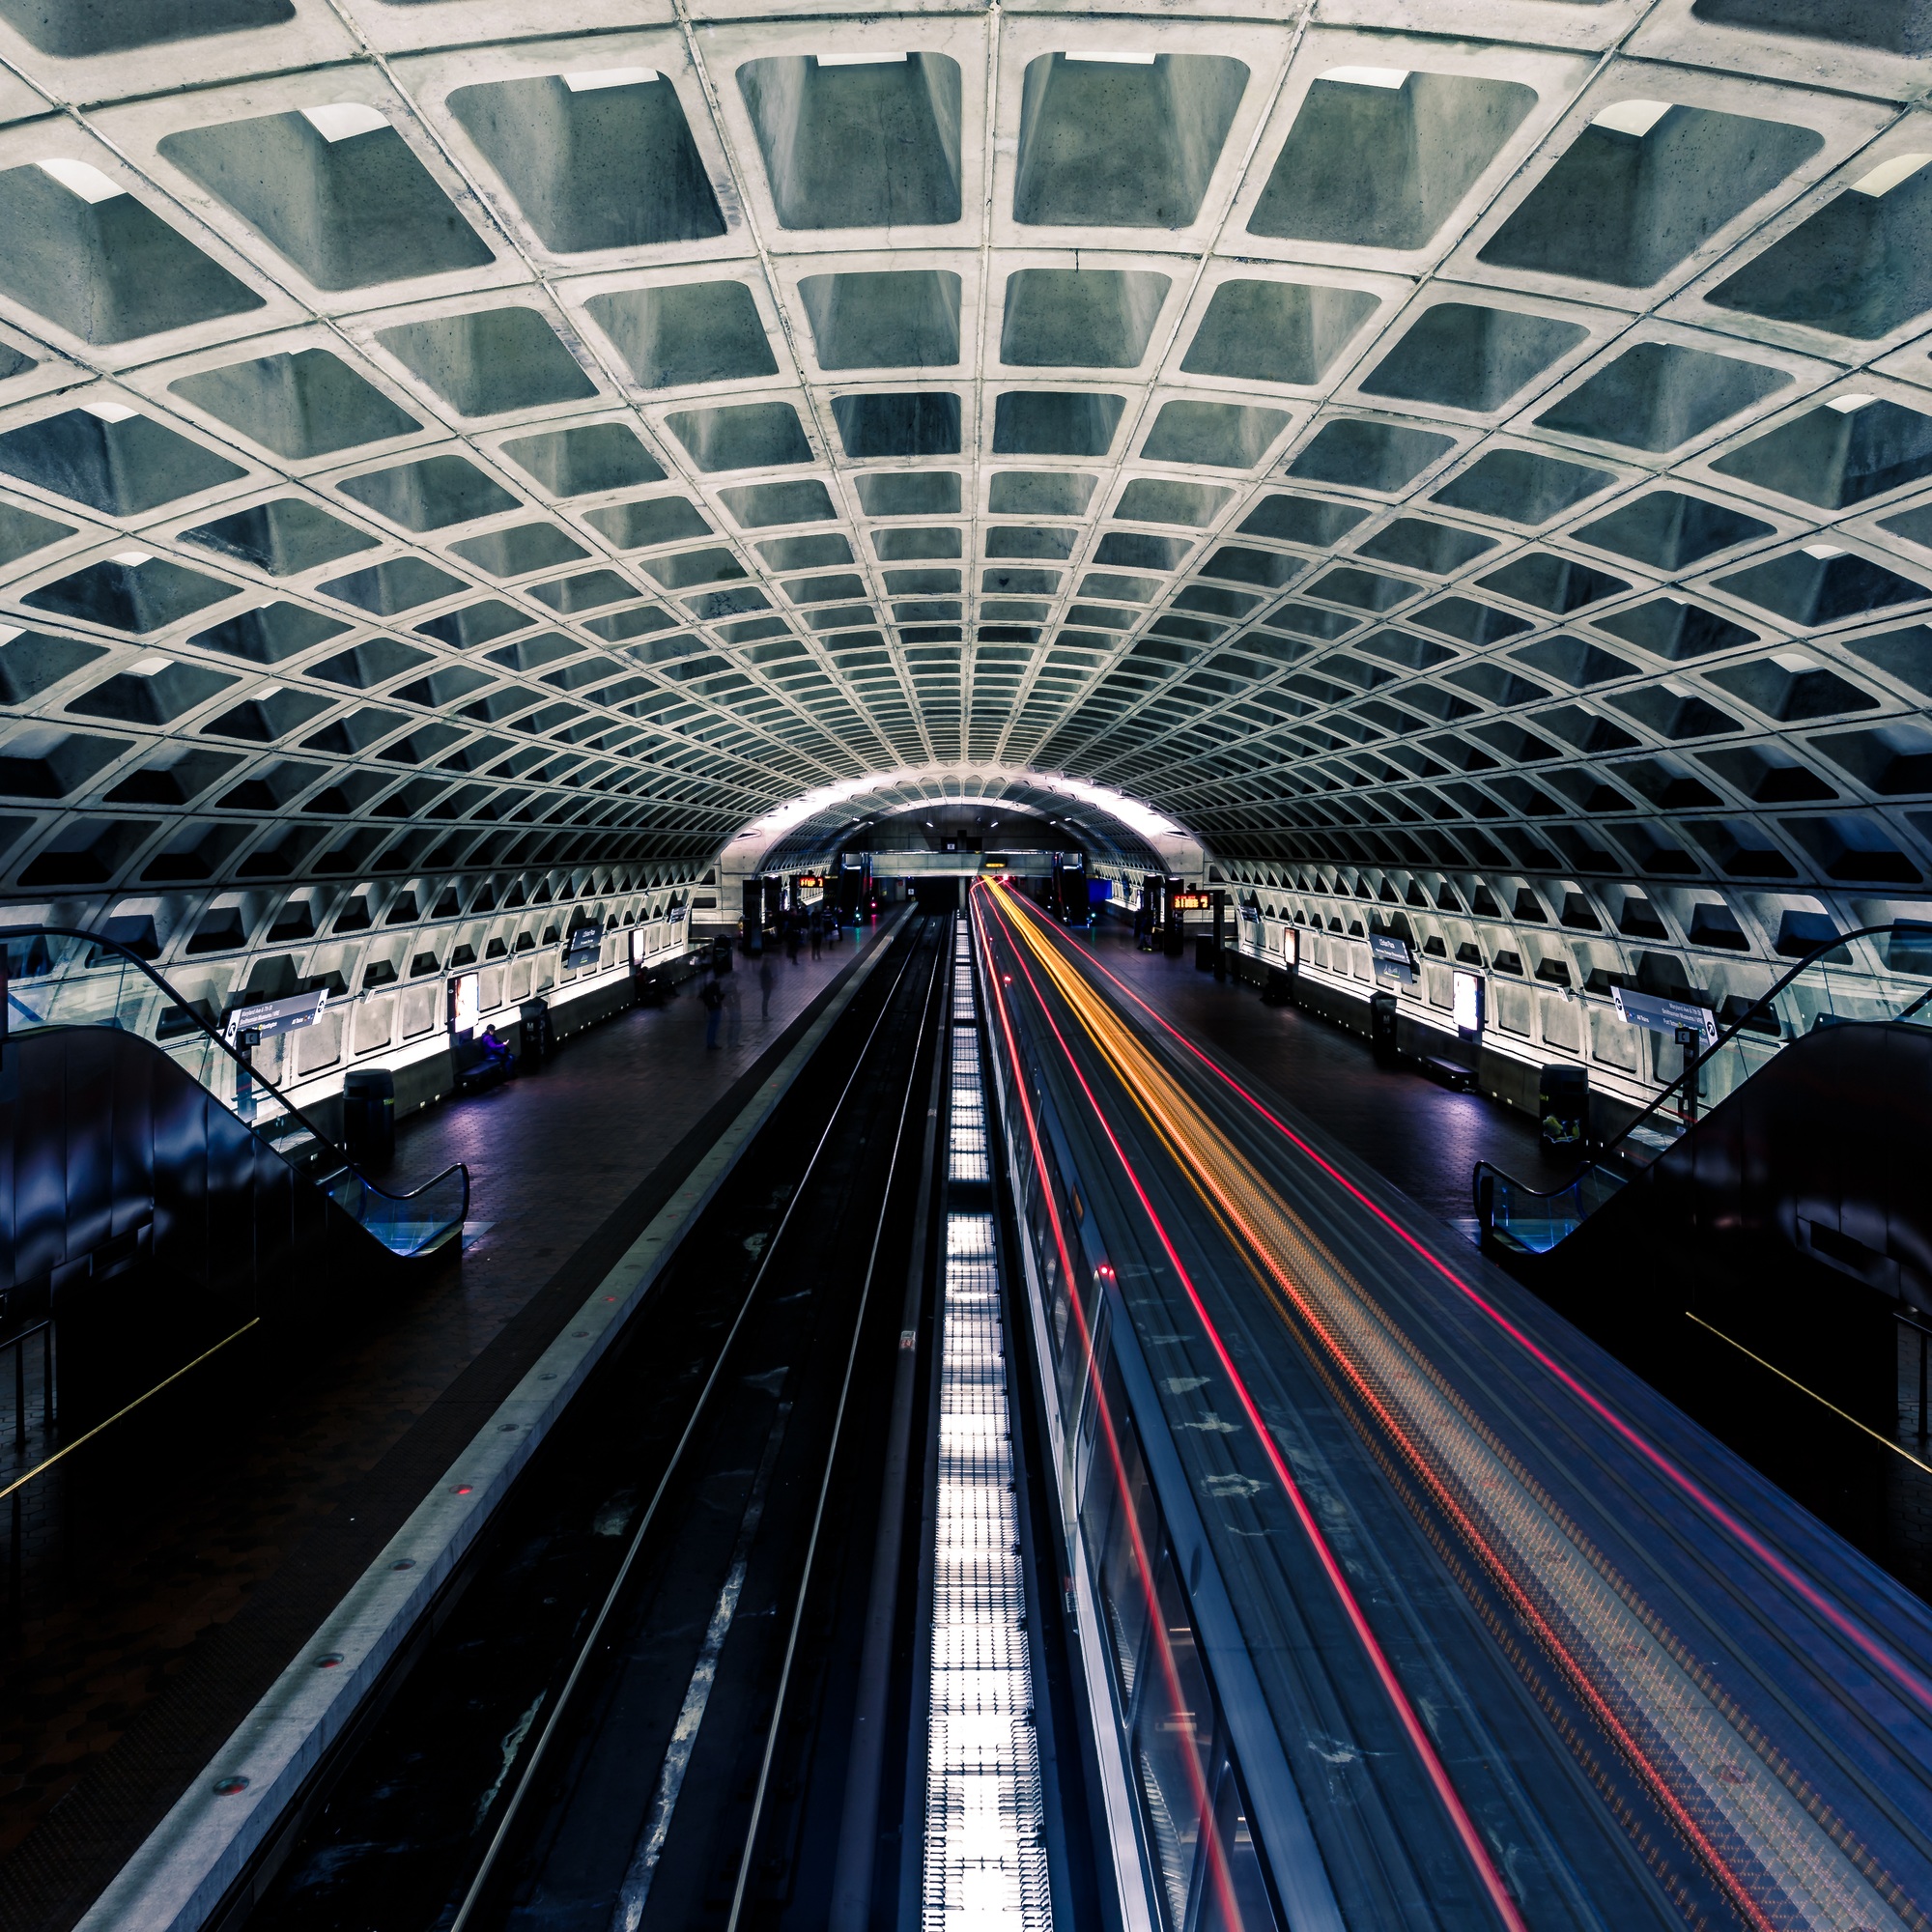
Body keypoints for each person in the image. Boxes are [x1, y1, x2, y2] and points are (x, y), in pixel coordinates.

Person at [700, 972, 723, 1049]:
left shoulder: (710, 985)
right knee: (714, 1026)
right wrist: (717, 1001)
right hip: (715, 1008)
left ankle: (710, 1043)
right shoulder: (715, 986)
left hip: (711, 1008)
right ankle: (711, 1043)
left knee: (711, 1026)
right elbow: (716, 997)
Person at [759, 952, 775, 1020]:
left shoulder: (765, 968)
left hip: (766, 986)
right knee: (765, 1000)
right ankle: (765, 1015)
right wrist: (770, 982)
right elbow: (766, 978)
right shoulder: (765, 969)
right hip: (766, 986)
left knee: (765, 1000)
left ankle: (765, 1015)